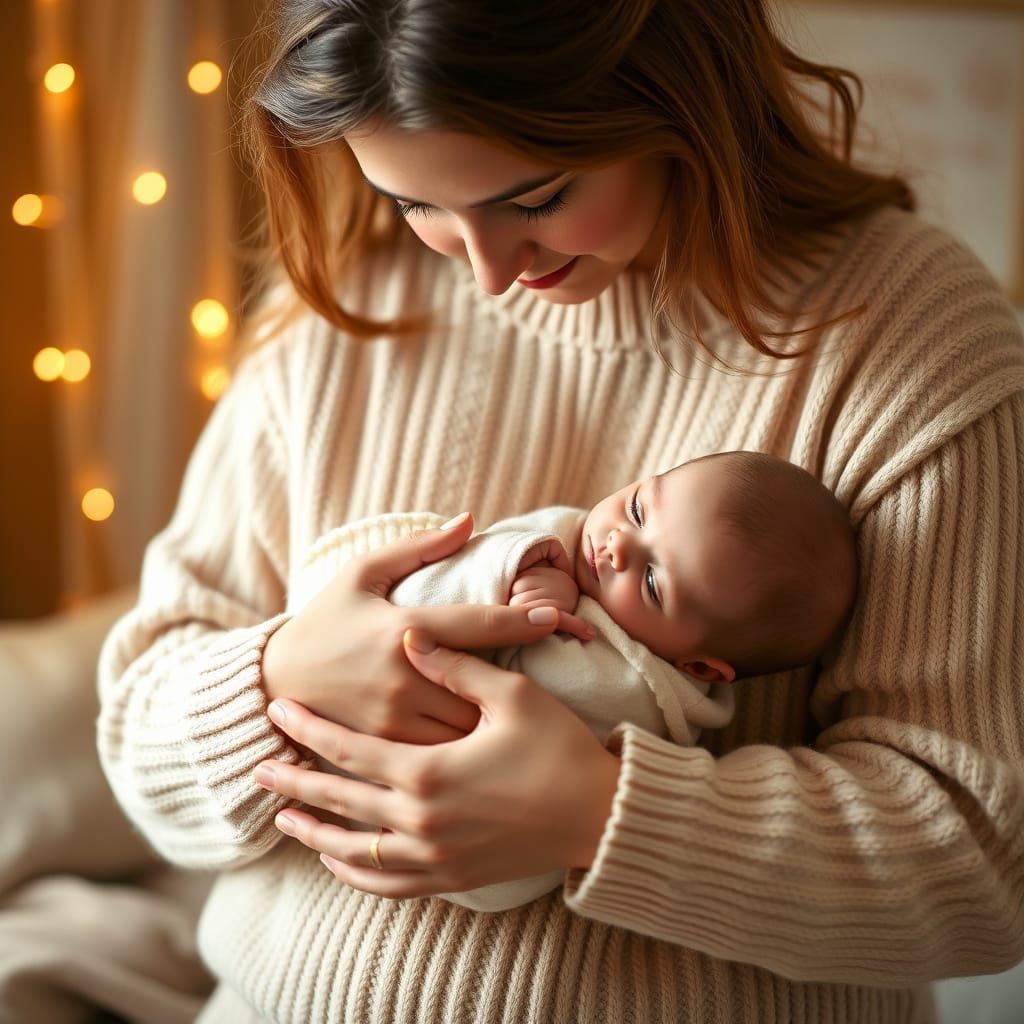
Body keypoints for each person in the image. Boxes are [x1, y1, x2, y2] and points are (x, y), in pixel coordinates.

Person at [96, 1, 1024, 1021]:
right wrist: (275, 680)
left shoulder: (908, 335)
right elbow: (137, 734)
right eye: (415, 204)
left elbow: (980, 871)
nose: (490, 271)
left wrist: (597, 815)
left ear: (679, 96)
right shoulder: (344, 304)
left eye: (533, 197)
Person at [291, 450, 857, 912]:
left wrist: (542, 624)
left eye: (654, 583)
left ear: (700, 668)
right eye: (638, 509)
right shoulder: (569, 534)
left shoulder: (636, 690)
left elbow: (551, 719)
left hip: (444, 824)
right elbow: (470, 563)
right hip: (327, 689)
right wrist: (515, 563)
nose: (615, 548)